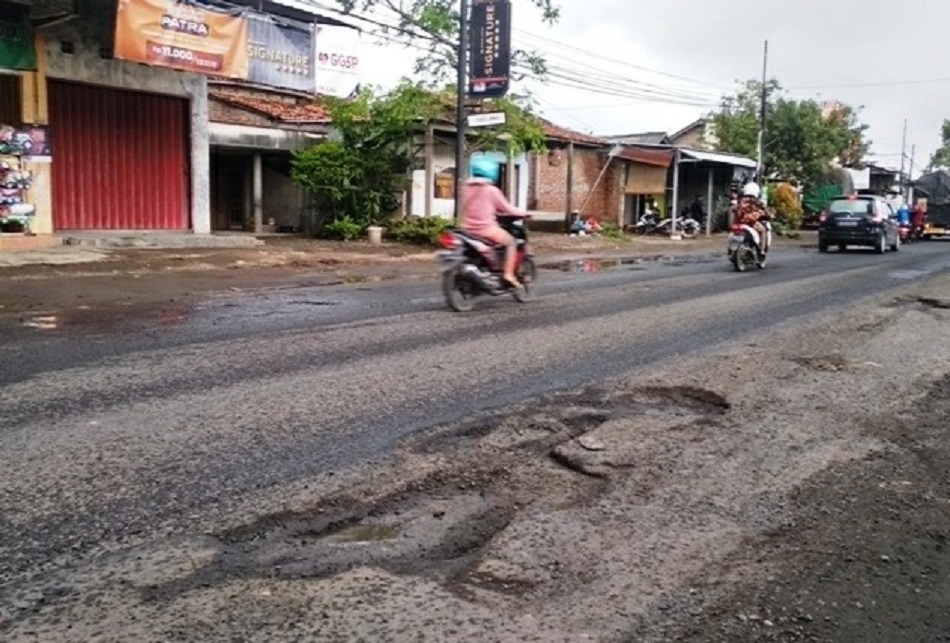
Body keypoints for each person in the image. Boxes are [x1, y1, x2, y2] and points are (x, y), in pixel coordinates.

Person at [461, 157, 529, 289]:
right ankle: (508, 274)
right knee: (510, 242)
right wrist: (523, 213)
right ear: (492, 172)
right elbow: (507, 208)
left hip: (467, 230)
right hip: (486, 229)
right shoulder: (491, 190)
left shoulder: (465, 188)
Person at [734, 181, 770, 258]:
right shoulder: (757, 201)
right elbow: (764, 209)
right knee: (763, 230)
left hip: (740, 222)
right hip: (751, 223)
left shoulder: (740, 201)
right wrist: (769, 215)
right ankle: (762, 251)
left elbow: (735, 210)